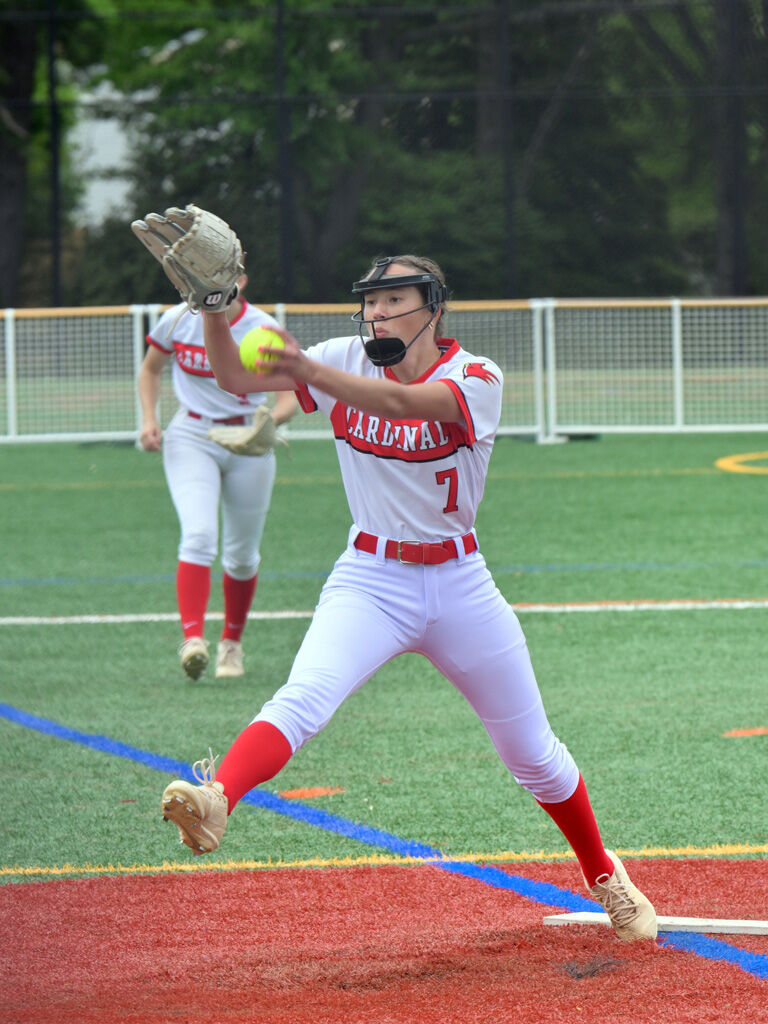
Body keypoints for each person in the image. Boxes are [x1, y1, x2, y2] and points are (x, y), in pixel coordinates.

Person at [159, 254, 657, 941]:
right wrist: (216, 307)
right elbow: (235, 377)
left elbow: (398, 402)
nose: (377, 313)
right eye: (370, 302)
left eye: (394, 300)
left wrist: (305, 370)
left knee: (534, 756)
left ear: (434, 306)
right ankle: (218, 800)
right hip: (371, 575)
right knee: (304, 697)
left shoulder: (476, 377)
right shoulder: (342, 358)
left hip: (460, 583)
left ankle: (606, 874)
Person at [137, 274, 297, 680]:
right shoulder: (177, 319)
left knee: (243, 554)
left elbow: (289, 396)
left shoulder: (263, 328)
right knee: (199, 535)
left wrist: (266, 425)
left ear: (242, 278)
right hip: (192, 433)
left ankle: (231, 644)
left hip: (249, 436)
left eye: (226, 272)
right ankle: (193, 639)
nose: (216, 282)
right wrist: (150, 419)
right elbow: (150, 370)